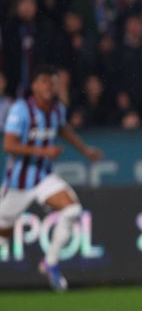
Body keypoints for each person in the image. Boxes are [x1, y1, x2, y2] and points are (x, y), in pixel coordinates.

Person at [0, 65, 103, 291]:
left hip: (43, 178)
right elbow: (9, 145)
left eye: (53, 82)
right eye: (45, 81)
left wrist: (85, 151)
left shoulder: (56, 110)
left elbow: (63, 129)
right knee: (3, 234)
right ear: (34, 86)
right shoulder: (21, 109)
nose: (49, 86)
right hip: (18, 184)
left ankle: (51, 262)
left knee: (73, 210)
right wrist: (43, 152)